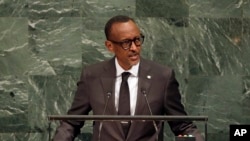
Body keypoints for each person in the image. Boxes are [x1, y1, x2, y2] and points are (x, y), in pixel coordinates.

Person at [53, 15, 204, 141]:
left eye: (137, 40)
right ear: (109, 46)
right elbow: (71, 123)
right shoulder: (92, 76)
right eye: (126, 42)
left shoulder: (162, 77)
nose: (134, 48)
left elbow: (183, 126)